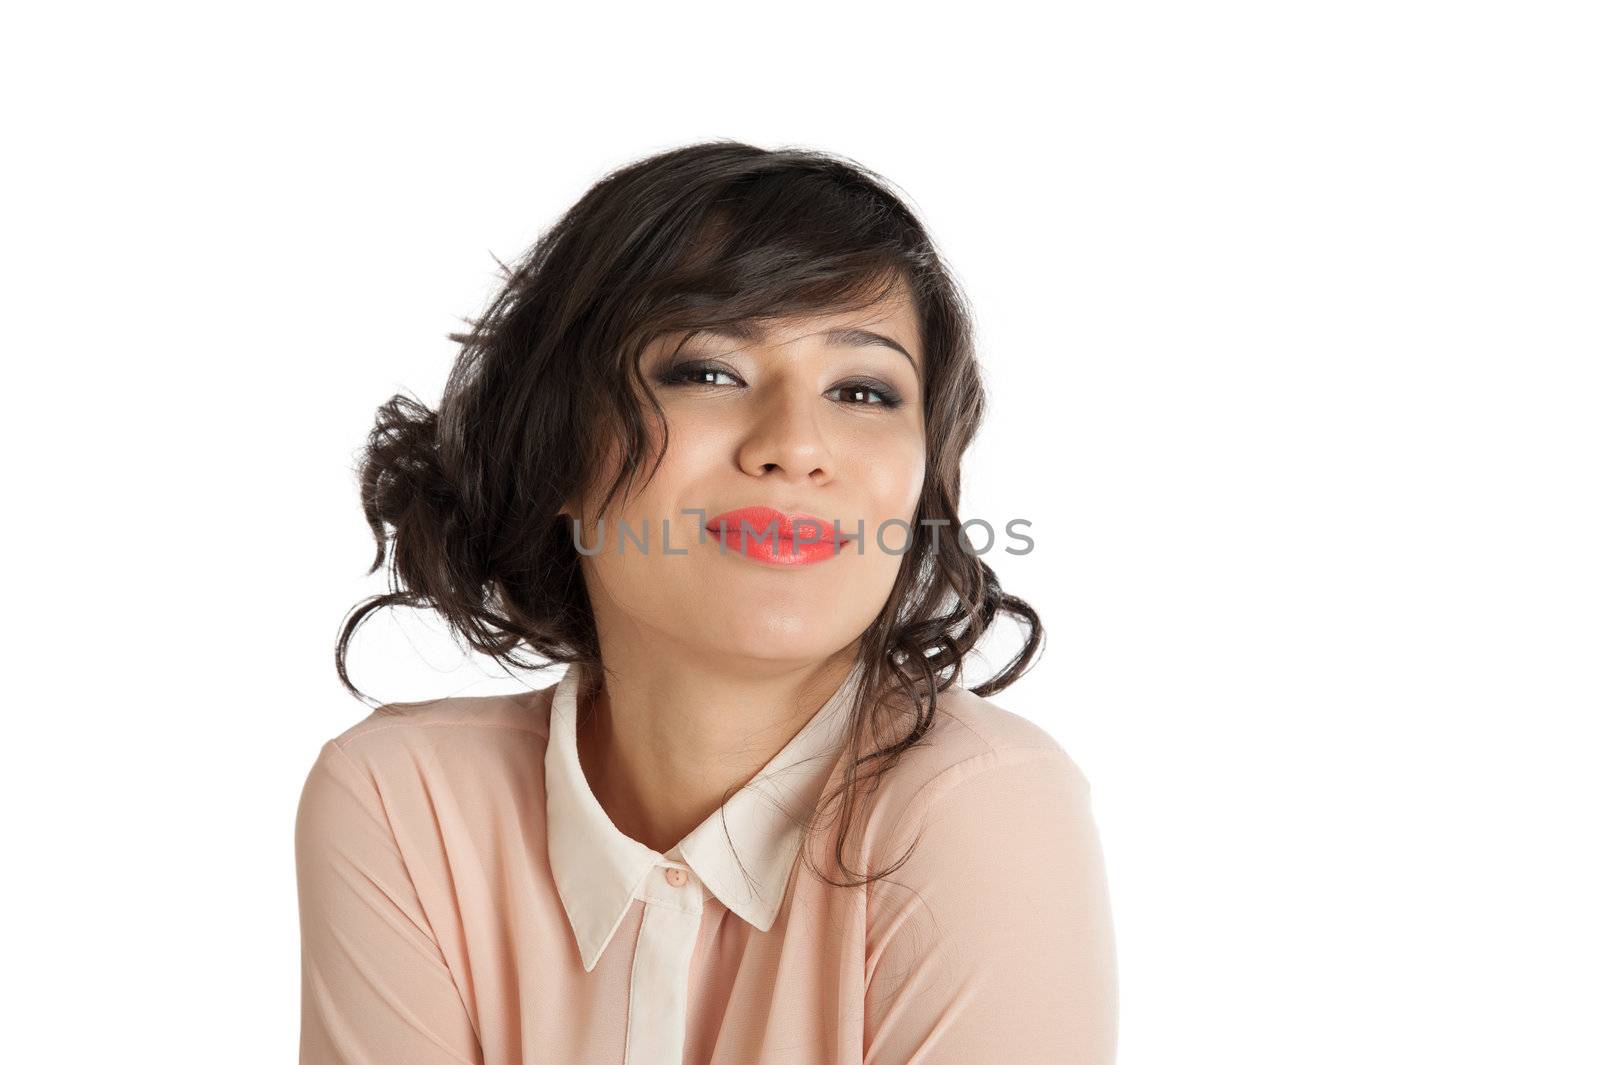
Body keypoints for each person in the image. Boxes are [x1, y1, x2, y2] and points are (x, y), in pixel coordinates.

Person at [294, 141, 1119, 1064]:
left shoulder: (979, 808)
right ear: (555, 446)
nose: (797, 445)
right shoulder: (406, 803)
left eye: (862, 389)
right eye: (709, 371)